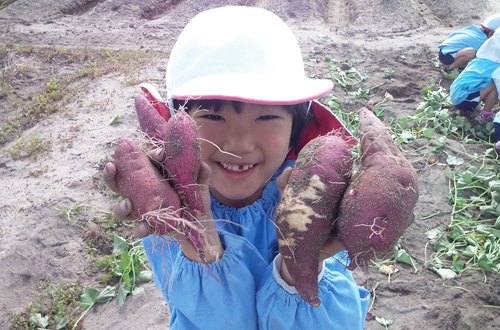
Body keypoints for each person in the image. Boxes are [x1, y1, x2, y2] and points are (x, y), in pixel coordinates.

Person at [103, 6, 369, 330]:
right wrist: (199, 240)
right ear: (179, 129)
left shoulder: (313, 196)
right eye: (214, 117)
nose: (239, 143)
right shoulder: (169, 211)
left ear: (296, 129)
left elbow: (339, 322)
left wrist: (298, 266)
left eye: (267, 117)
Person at [450, 26, 500, 123]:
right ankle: (485, 115)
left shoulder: (479, 59)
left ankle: (473, 105)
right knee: (495, 85)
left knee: (486, 81)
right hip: (463, 100)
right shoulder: (496, 66)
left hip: (455, 96)